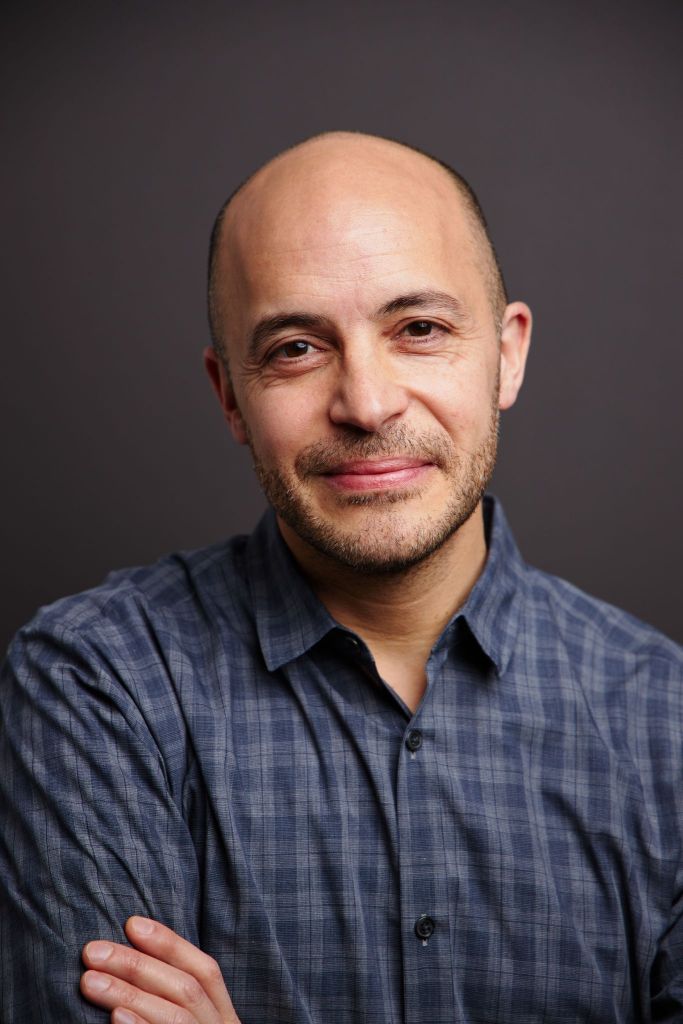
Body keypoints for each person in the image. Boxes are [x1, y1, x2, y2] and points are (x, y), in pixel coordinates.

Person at [1, 131, 682, 1024]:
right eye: (294, 348)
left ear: (507, 354)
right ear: (229, 397)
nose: (365, 403)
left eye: (419, 330)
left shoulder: (666, 720)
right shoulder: (95, 680)